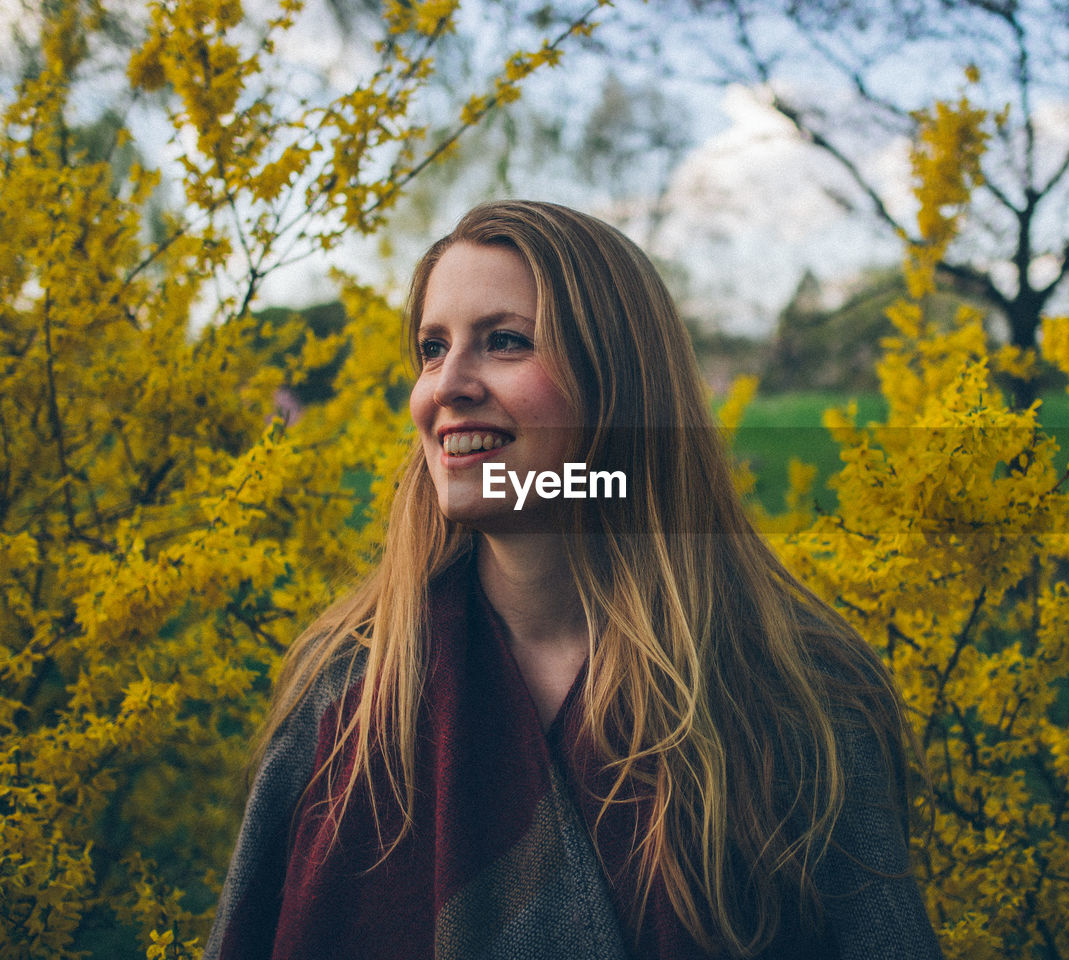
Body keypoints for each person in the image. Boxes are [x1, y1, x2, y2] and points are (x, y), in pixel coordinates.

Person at [206, 200, 944, 959]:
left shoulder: (797, 691)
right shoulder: (351, 695)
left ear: (618, 385)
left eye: (504, 342)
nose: (447, 385)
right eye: (432, 348)